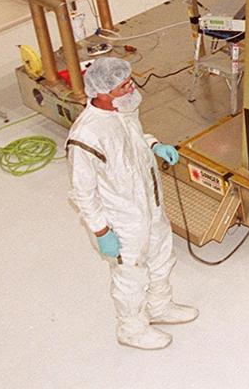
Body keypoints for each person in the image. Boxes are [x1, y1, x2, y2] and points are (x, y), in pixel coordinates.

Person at [67, 57, 196, 350]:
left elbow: (133, 138)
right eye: (124, 86)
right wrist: (102, 232)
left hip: (150, 203)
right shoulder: (86, 136)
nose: (132, 88)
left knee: (161, 255)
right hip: (122, 219)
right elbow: (83, 192)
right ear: (103, 92)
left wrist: (154, 145)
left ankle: (159, 306)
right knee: (130, 275)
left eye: (129, 81)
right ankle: (131, 329)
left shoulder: (122, 109)